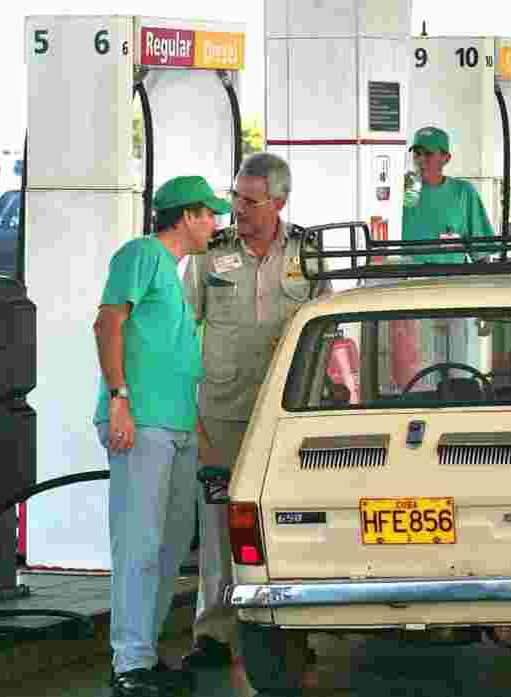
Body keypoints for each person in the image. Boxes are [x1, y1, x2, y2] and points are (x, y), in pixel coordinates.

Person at [182, 152, 328, 669]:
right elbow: (182, 330)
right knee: (219, 524)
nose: (237, 208)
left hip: (287, 418)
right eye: (234, 197)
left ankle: (291, 627)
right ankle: (215, 633)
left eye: (249, 200)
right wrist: (188, 411)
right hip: (222, 412)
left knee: (290, 519)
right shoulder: (210, 253)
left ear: (279, 202)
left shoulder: (310, 250)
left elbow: (326, 332)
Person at [93, 175, 231, 697]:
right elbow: (108, 324)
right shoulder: (141, 254)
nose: (215, 223)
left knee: (170, 546)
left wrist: (195, 424)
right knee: (140, 543)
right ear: (187, 216)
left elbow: (171, 353)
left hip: (175, 423)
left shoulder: (173, 274)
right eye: (210, 214)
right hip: (142, 420)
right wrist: (119, 397)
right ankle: (129, 663)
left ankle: (145, 657)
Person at [402, 126, 495, 264]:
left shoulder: (463, 192)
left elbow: (482, 254)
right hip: (406, 281)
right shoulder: (399, 189)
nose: (420, 159)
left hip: (450, 281)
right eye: (417, 153)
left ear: (446, 158)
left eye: (428, 154)